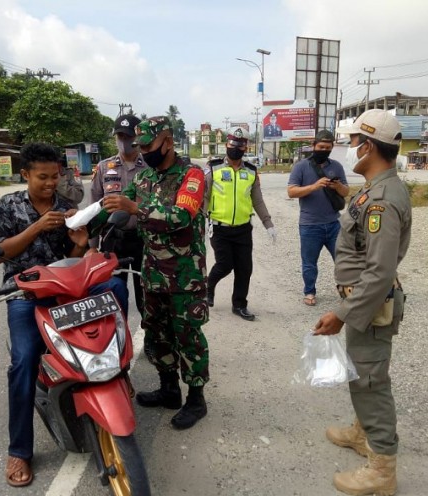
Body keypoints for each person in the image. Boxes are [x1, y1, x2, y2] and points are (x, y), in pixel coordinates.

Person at [0, 142, 128, 487]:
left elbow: (72, 253)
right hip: (25, 291)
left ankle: (115, 368)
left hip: (68, 286)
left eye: (56, 176)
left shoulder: (67, 207)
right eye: (43, 177)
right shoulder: (6, 206)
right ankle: (19, 449)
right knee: (23, 361)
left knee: (117, 289)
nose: (51, 183)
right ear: (25, 175)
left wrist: (80, 242)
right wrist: (37, 227)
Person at [314, 109, 411, 496]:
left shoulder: (383, 199)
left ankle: (382, 470)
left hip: (371, 304)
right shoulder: (373, 188)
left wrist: (341, 314)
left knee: (371, 382)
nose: (350, 149)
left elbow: (379, 272)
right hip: (363, 303)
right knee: (362, 374)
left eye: (354, 142)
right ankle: (362, 432)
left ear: (369, 146)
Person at [99, 116, 209, 430]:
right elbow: (118, 206)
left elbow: (182, 216)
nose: (143, 152)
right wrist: (85, 223)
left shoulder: (191, 175)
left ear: (168, 142)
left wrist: (137, 210)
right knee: (157, 335)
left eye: (148, 146)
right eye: (139, 146)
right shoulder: (144, 178)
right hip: (153, 274)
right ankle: (169, 390)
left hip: (184, 276)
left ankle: (196, 399)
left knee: (188, 338)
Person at [205, 126, 276, 321]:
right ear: (226, 144)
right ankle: (208, 288)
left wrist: (268, 224)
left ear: (246, 148)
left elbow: (257, 200)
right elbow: (204, 196)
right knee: (225, 264)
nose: (235, 148)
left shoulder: (251, 172)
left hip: (244, 229)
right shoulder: (214, 168)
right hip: (219, 228)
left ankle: (239, 304)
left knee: (245, 268)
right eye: (232, 144)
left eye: (240, 145)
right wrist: (200, 219)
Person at [89, 114, 146, 313]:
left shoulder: (150, 167)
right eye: (120, 137)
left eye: (128, 137)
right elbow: (95, 207)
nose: (124, 141)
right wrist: (93, 246)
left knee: (146, 294)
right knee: (112, 295)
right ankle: (118, 340)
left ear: (138, 138)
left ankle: (150, 340)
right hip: (112, 239)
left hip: (143, 239)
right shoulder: (104, 167)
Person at [287, 129, 349, 306]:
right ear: (314, 146)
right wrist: (314, 186)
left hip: (333, 223)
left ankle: (346, 290)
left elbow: (346, 191)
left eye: (328, 148)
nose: (324, 150)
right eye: (321, 147)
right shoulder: (301, 166)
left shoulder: (336, 166)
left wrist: (337, 186)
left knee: (343, 259)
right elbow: (291, 191)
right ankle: (309, 292)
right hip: (309, 225)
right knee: (309, 263)